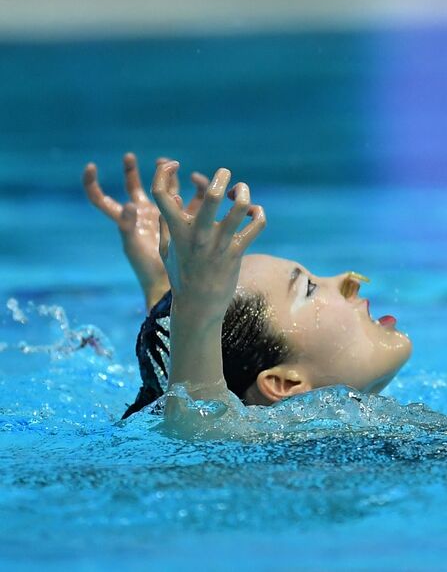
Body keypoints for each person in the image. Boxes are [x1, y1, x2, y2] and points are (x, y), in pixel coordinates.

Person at [84, 154, 412, 425]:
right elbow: (198, 432)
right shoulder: (280, 457)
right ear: (285, 383)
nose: (347, 279)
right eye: (309, 289)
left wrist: (164, 285)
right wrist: (194, 308)